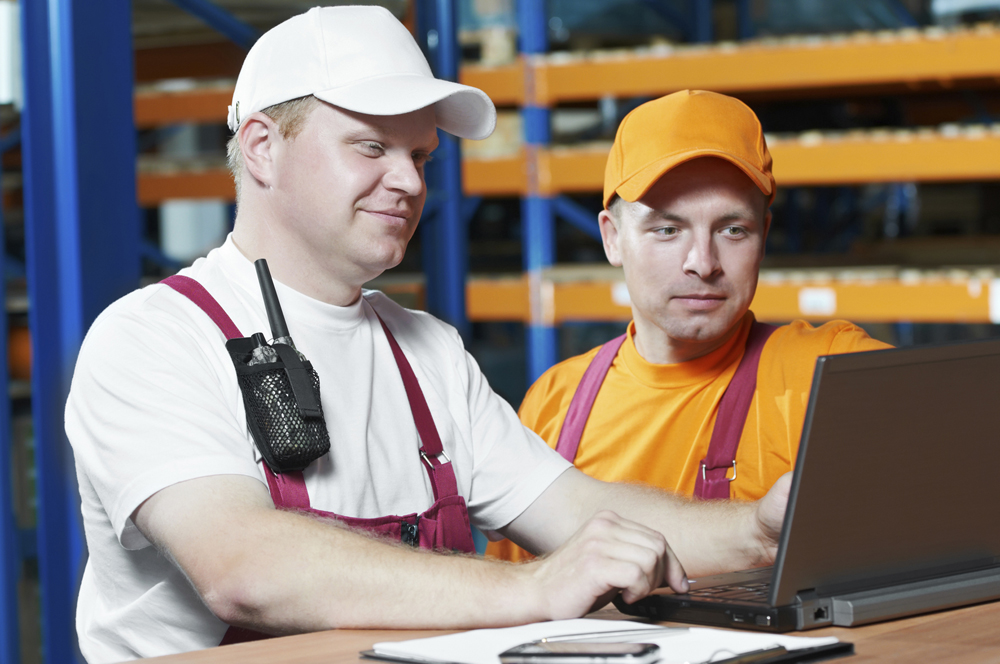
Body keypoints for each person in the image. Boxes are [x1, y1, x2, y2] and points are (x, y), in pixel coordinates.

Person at [65, 10, 790, 662]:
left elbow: (579, 511)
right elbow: (243, 569)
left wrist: (758, 529)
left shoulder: (426, 351)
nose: (409, 183)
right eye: (372, 147)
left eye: (419, 157)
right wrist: (536, 587)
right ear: (261, 147)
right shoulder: (153, 339)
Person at [487, 90, 891, 563]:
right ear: (612, 238)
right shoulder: (554, 405)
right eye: (668, 230)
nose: (703, 262)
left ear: (763, 235)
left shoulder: (827, 373)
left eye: (732, 230)